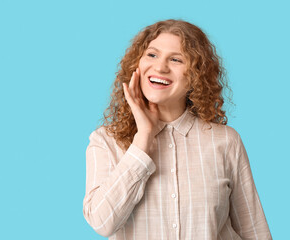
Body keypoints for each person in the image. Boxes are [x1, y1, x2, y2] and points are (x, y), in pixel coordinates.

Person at [83, 19, 272, 240]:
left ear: (195, 75)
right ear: (137, 65)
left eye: (176, 59)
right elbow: (101, 222)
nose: (161, 67)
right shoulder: (106, 141)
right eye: (152, 55)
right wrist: (143, 138)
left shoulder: (226, 141)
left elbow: (254, 231)